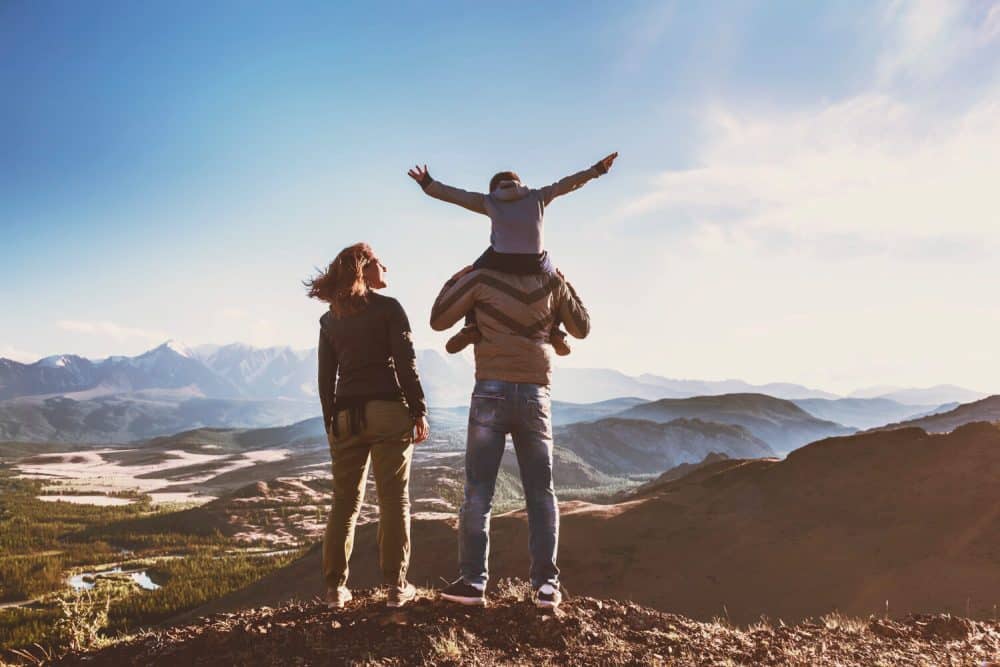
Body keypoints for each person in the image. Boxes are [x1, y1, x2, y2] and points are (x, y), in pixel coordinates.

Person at [428, 262, 591, 610]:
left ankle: (472, 583)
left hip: (490, 391)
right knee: (541, 491)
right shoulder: (551, 281)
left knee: (478, 491)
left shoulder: (482, 276)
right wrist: (566, 281)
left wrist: (458, 277)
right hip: (535, 394)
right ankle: (546, 585)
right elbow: (583, 327)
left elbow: (438, 318)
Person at [306, 243, 430, 609]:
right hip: (388, 410)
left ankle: (334, 590)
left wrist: (331, 421)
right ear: (365, 269)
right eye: (379, 262)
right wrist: (419, 409)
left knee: (344, 503)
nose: (386, 266)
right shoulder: (389, 309)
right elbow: (406, 364)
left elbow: (325, 377)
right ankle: (395, 587)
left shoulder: (330, 319)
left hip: (345, 416)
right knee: (393, 500)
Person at [408, 152, 616, 356]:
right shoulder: (538, 196)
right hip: (535, 261)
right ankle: (555, 331)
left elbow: (456, 196)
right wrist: (596, 170)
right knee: (557, 282)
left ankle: (471, 325)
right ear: (519, 184)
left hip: (501, 259)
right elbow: (568, 184)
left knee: (473, 274)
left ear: (494, 188)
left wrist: (427, 183)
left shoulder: (490, 200)